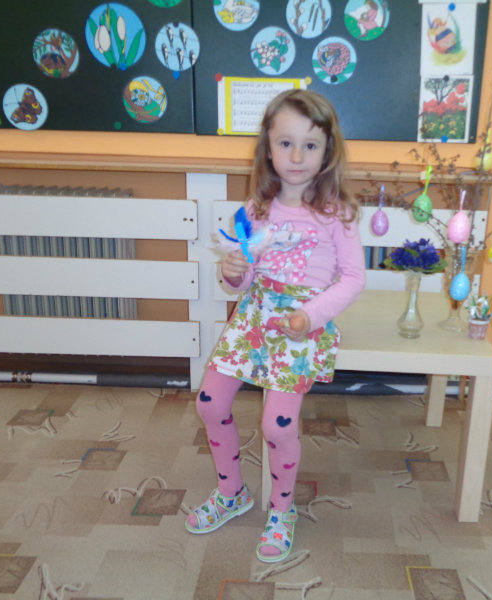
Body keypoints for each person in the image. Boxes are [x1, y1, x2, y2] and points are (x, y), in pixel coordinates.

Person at [184, 89, 366, 563]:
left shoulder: (338, 214)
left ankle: (282, 511)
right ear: (268, 147)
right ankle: (232, 493)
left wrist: (311, 316)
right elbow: (242, 280)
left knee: (277, 425)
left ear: (327, 151)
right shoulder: (253, 211)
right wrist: (233, 272)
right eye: (286, 143)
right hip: (254, 317)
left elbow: (353, 278)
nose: (297, 156)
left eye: (310, 145)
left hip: (300, 324)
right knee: (209, 403)